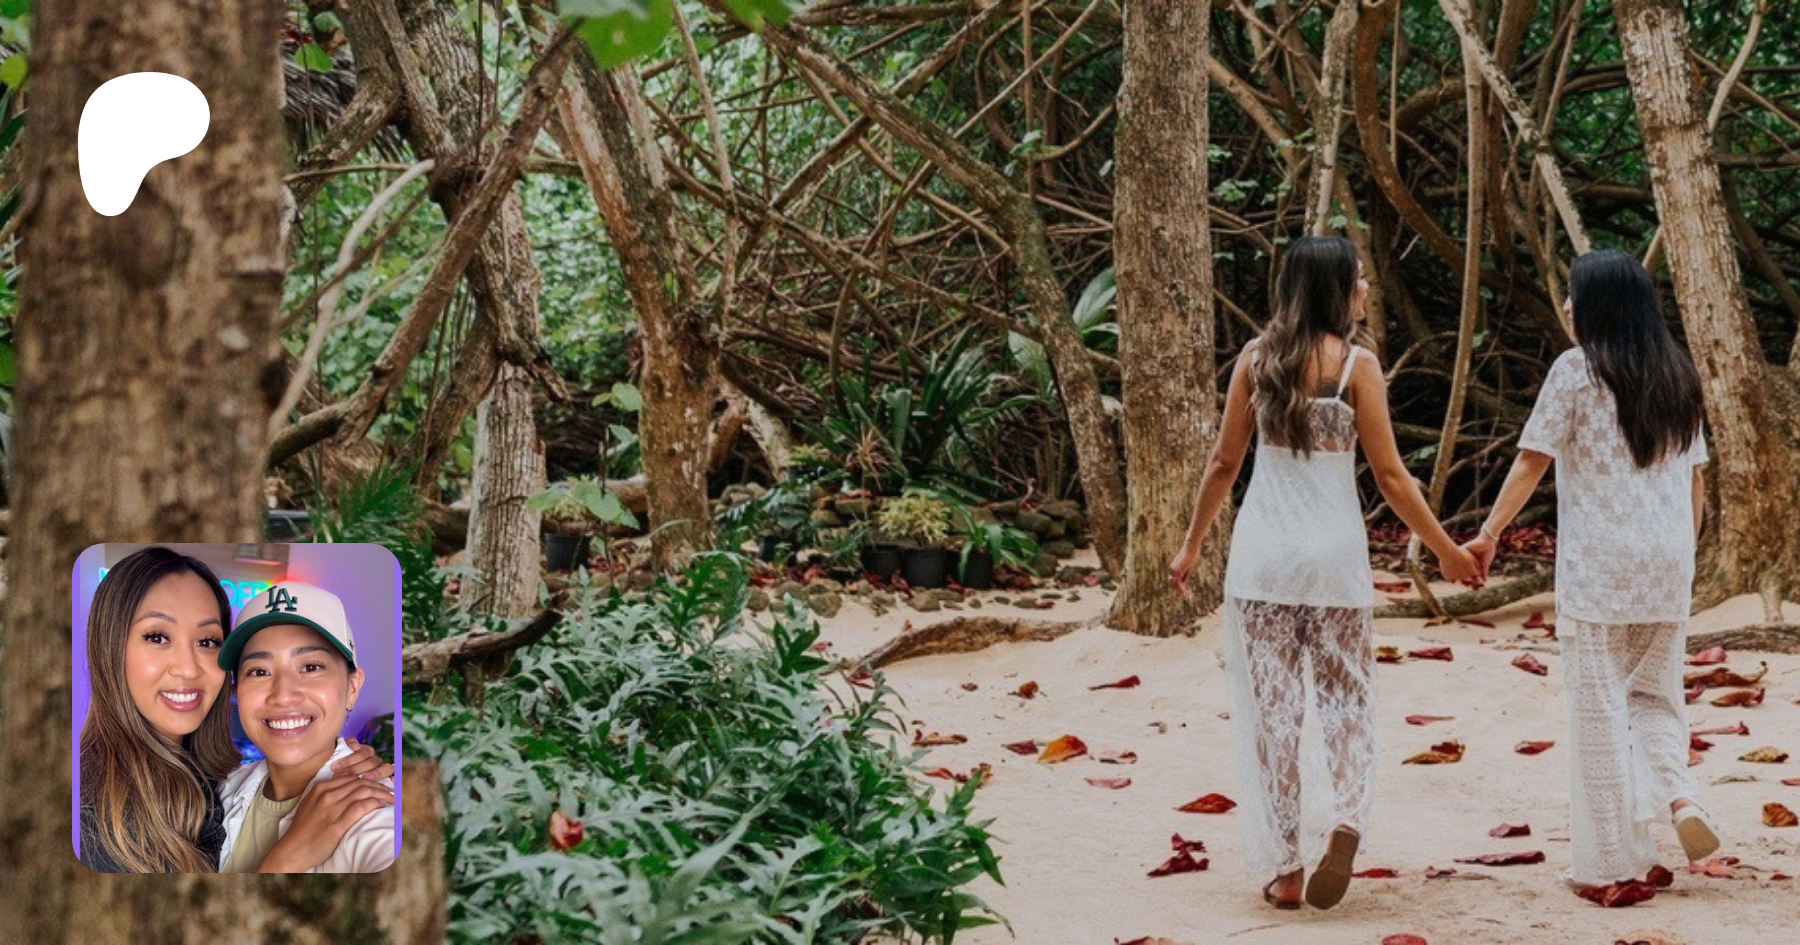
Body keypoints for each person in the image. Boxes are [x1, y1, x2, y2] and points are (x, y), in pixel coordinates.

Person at [1170, 236, 1482, 911]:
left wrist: (1191, 545)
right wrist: (1445, 550)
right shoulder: (1358, 367)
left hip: (1262, 561)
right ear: (1335, 289)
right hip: (1334, 561)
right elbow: (1391, 477)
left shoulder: (1256, 361)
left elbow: (1224, 464)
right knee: (1347, 699)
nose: (1366, 288)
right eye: (1359, 278)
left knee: (1275, 714)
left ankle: (1285, 867)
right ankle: (1345, 815)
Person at [1462, 249, 1715, 891]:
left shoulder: (1576, 370)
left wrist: (1489, 534)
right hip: (1667, 562)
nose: (1568, 305)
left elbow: (1532, 460)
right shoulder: (1678, 372)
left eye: (1575, 294)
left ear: (1601, 304)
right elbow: (1695, 480)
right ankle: (1680, 796)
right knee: (1656, 696)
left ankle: (1607, 865)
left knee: (1599, 709)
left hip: (1600, 566)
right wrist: (1683, 557)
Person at [78, 546, 390, 872]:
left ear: (352, 687)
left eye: (207, 641)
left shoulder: (214, 785)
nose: (188, 668)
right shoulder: (86, 812)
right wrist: (287, 859)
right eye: (157, 637)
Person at [215, 581, 396, 873]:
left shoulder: (376, 816)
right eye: (259, 671)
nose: (283, 695)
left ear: (352, 688)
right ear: (237, 693)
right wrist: (287, 859)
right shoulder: (221, 792)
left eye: (311, 667)